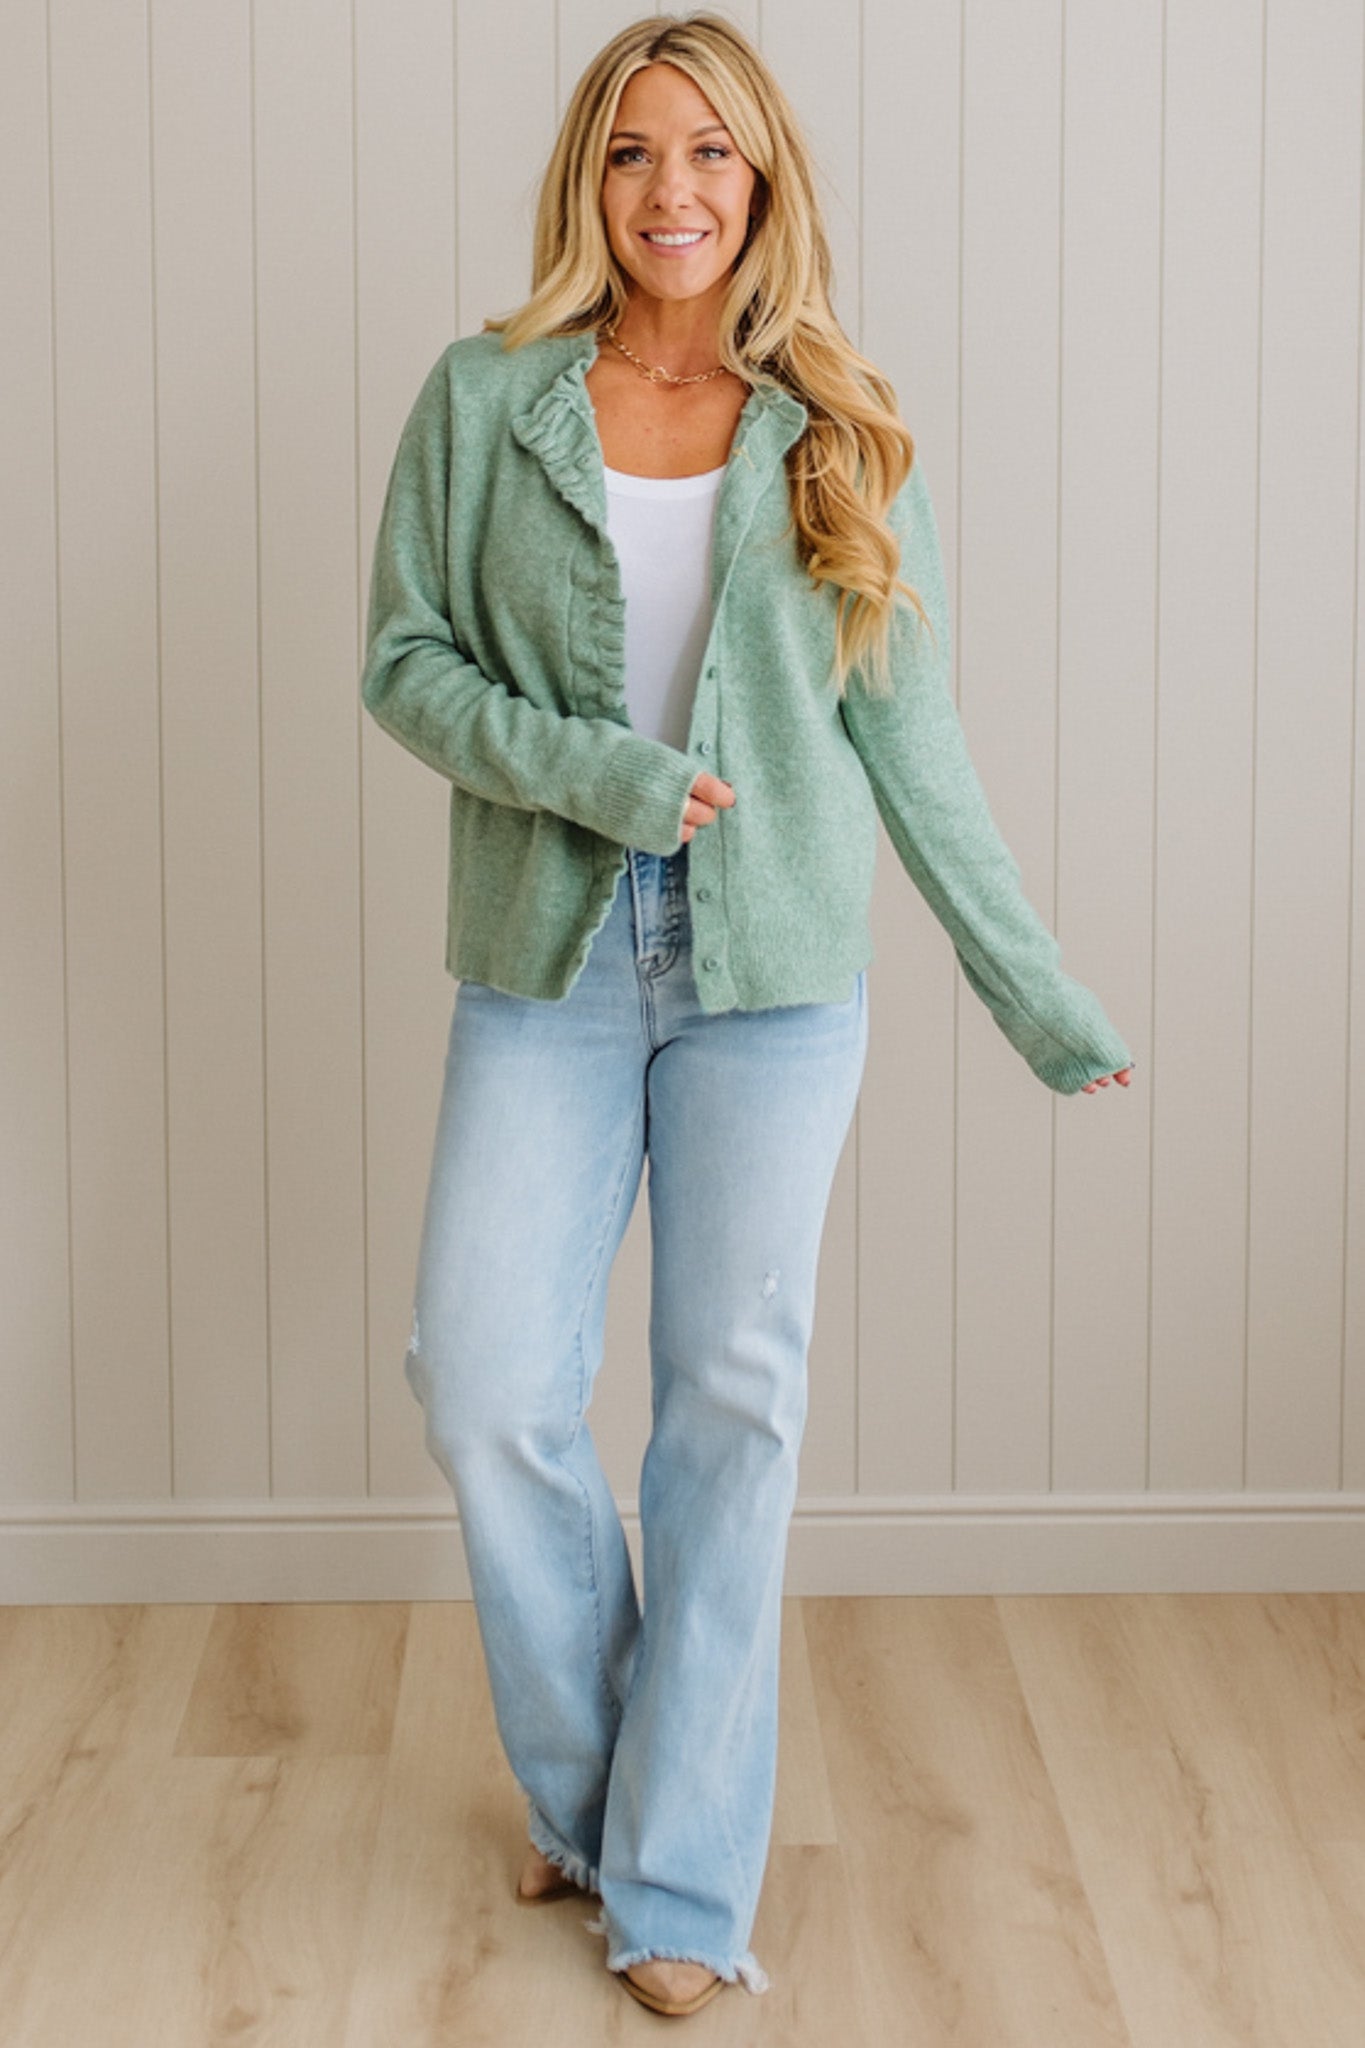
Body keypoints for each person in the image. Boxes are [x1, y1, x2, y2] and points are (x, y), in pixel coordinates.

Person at [360, 9, 1134, 2020]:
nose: (671, 189)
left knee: (727, 1411)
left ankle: (677, 1889)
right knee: (482, 1378)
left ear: (763, 181)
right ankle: (595, 1788)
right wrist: (593, 780)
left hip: (770, 979)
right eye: (631, 154)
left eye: (709, 153)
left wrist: (1032, 992)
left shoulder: (841, 432)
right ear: (585, 187)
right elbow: (405, 668)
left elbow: (913, 741)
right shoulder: (485, 398)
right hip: (543, 946)